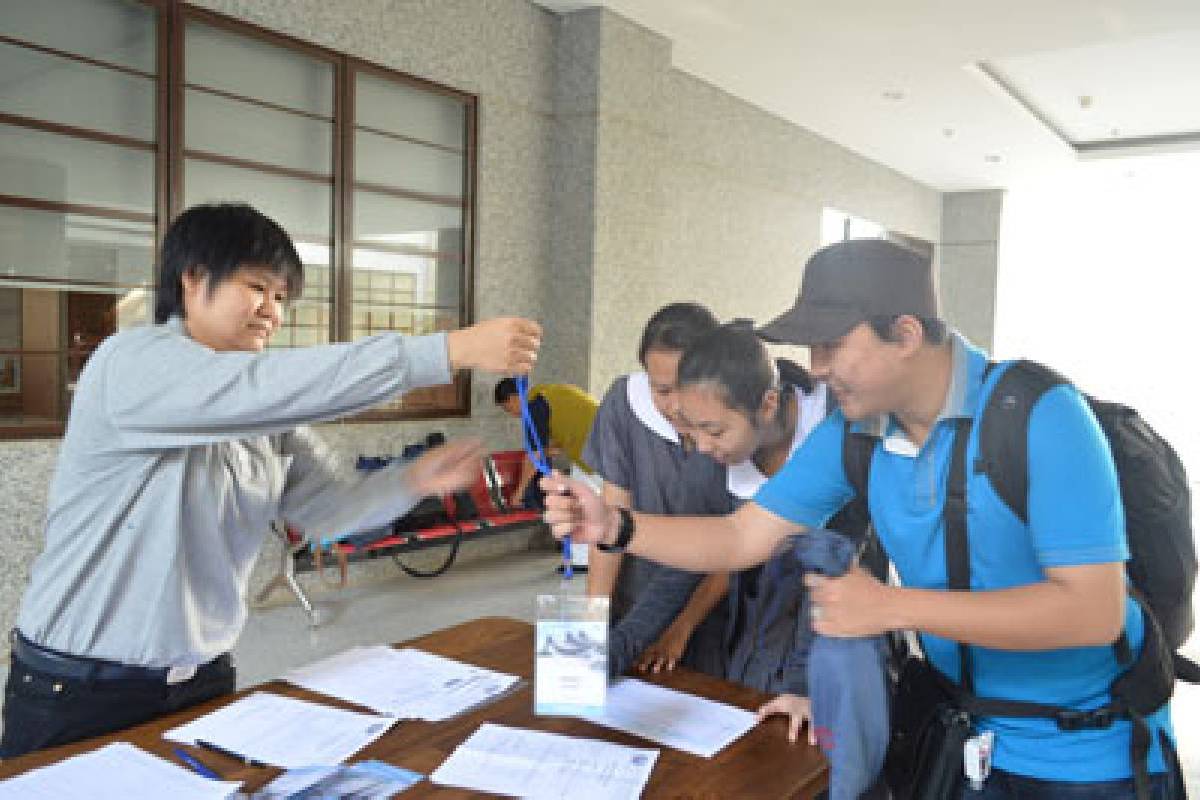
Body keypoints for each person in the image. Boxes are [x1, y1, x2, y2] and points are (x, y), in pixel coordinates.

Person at [545, 239, 1177, 799]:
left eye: (831, 345)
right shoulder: (858, 434)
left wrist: (893, 607)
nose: (816, 368)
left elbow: (1090, 611)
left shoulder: (1038, 413)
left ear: (904, 334)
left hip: (1088, 753)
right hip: (965, 737)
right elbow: (742, 536)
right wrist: (615, 527)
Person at [1, 203, 542, 758]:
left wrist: (410, 483)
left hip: (202, 681)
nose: (272, 311)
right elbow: (262, 387)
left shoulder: (265, 416)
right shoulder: (130, 363)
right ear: (191, 280)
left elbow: (326, 511)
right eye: (257, 287)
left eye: (282, 298)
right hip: (78, 691)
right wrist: (446, 352)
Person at [675, 322, 889, 800]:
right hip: (760, 647)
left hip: (830, 653)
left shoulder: (844, 440)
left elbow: (830, 577)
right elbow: (714, 550)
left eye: (712, 431)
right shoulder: (730, 449)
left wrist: (802, 683)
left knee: (827, 769)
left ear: (768, 404)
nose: (704, 447)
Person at [582, 303, 731, 678]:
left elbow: (734, 544)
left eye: (685, 387)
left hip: (711, 606)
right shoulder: (623, 405)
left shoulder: (731, 423)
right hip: (636, 598)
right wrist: (592, 619)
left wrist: (680, 628)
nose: (674, 406)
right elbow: (611, 521)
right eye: (661, 389)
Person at [493, 378, 598, 509]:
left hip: (599, 455)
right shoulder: (547, 394)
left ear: (513, 398)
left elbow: (533, 459)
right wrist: (545, 451)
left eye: (507, 408)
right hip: (611, 440)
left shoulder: (533, 408)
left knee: (590, 507)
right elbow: (569, 431)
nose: (512, 414)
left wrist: (518, 495)